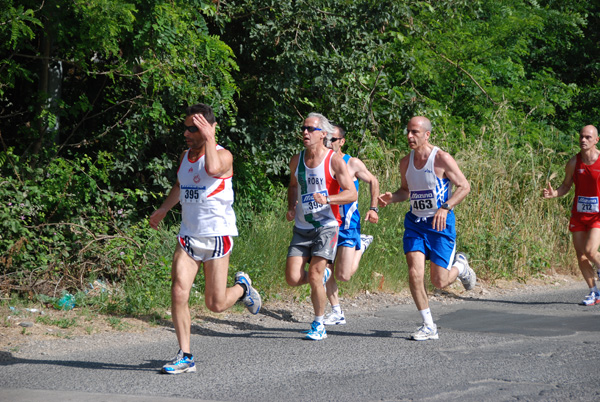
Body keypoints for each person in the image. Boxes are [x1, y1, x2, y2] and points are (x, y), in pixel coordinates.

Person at [149, 103, 261, 374]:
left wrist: (210, 137)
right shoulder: (185, 155)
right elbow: (180, 184)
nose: (186, 133)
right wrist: (164, 208)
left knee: (216, 303)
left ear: (207, 130)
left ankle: (243, 288)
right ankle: (185, 355)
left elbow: (211, 169)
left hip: (216, 236)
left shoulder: (224, 156)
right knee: (178, 290)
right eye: (185, 127)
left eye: (192, 128)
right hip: (188, 236)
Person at [378, 116, 476, 341]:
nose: (410, 136)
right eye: (408, 132)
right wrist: (392, 198)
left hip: (440, 224)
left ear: (427, 134)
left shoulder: (441, 159)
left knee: (439, 281)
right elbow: (406, 191)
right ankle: (428, 325)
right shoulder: (405, 162)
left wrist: (446, 207)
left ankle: (460, 266)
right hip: (415, 224)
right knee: (414, 273)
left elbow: (464, 186)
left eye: (415, 132)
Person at [285, 112, 357, 340]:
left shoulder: (334, 160)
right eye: (304, 128)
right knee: (293, 278)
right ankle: (324, 275)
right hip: (302, 226)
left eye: (311, 129)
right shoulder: (296, 159)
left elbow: (351, 193)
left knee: (314, 274)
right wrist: (290, 205)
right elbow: (293, 185)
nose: (305, 132)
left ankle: (318, 323)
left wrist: (328, 200)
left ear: (323, 134)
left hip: (327, 225)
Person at [323, 124, 380, 326]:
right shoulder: (321, 162)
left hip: (348, 225)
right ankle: (336, 311)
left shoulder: (352, 163)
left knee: (343, 275)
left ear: (342, 142)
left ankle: (361, 246)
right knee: (325, 269)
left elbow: (373, 180)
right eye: (326, 139)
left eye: (333, 140)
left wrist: (374, 208)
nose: (328, 143)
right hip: (326, 224)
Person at [543, 125, 600, 306]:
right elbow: (566, 186)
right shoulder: (574, 163)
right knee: (581, 255)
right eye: (581, 137)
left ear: (596, 140)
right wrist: (554, 194)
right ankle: (594, 292)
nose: (583, 140)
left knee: (591, 251)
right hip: (579, 214)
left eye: (588, 137)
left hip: (597, 216)